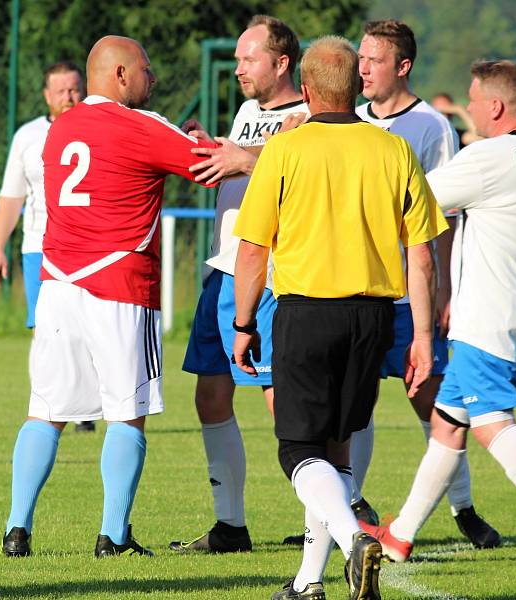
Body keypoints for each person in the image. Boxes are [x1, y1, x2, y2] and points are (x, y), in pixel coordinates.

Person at [358, 60, 516, 573]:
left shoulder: (490, 157)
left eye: (472, 100)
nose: (467, 109)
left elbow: (411, 197)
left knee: (492, 421)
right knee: (449, 424)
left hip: (486, 313)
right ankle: (400, 536)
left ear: (495, 106)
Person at [233, 36, 448, 600]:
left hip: (306, 313)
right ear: (356, 86)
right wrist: (423, 335)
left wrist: (242, 322)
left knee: (297, 449)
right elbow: (422, 253)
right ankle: (308, 582)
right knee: (337, 447)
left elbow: (253, 248)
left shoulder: (285, 150)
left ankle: (356, 540)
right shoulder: (393, 150)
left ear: (304, 91)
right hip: (374, 317)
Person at [0, 35, 217, 559]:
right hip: (120, 287)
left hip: (57, 284)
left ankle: (16, 529)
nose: (153, 78)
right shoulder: (142, 125)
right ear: (120, 74)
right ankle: (113, 535)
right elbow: (209, 165)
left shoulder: (59, 130)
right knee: (127, 412)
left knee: (45, 410)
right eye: (146, 68)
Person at [353, 19, 500, 549]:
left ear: (403, 66)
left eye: (374, 59)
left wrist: (442, 292)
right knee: (356, 404)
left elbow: (443, 217)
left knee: (431, 402)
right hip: (359, 291)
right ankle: (351, 508)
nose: (363, 67)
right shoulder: (351, 120)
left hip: (408, 296)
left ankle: (464, 509)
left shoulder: (431, 126)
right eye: (361, 57)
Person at [169, 15, 309, 554]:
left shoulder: (305, 116)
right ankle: (230, 526)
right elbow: (242, 164)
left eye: (248, 60)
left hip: (270, 277)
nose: (238, 69)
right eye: (236, 60)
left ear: (281, 63)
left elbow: (293, 172)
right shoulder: (251, 111)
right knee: (209, 395)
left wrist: (243, 158)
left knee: (284, 403)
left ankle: (322, 519)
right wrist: (212, 148)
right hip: (222, 268)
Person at [0, 61, 95, 433]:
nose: (69, 97)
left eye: (74, 88)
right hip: (40, 248)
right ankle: (49, 403)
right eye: (61, 91)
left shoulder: (100, 129)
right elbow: (11, 197)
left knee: (87, 327)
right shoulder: (28, 136)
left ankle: (84, 406)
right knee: (46, 330)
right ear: (47, 96)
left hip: (89, 246)